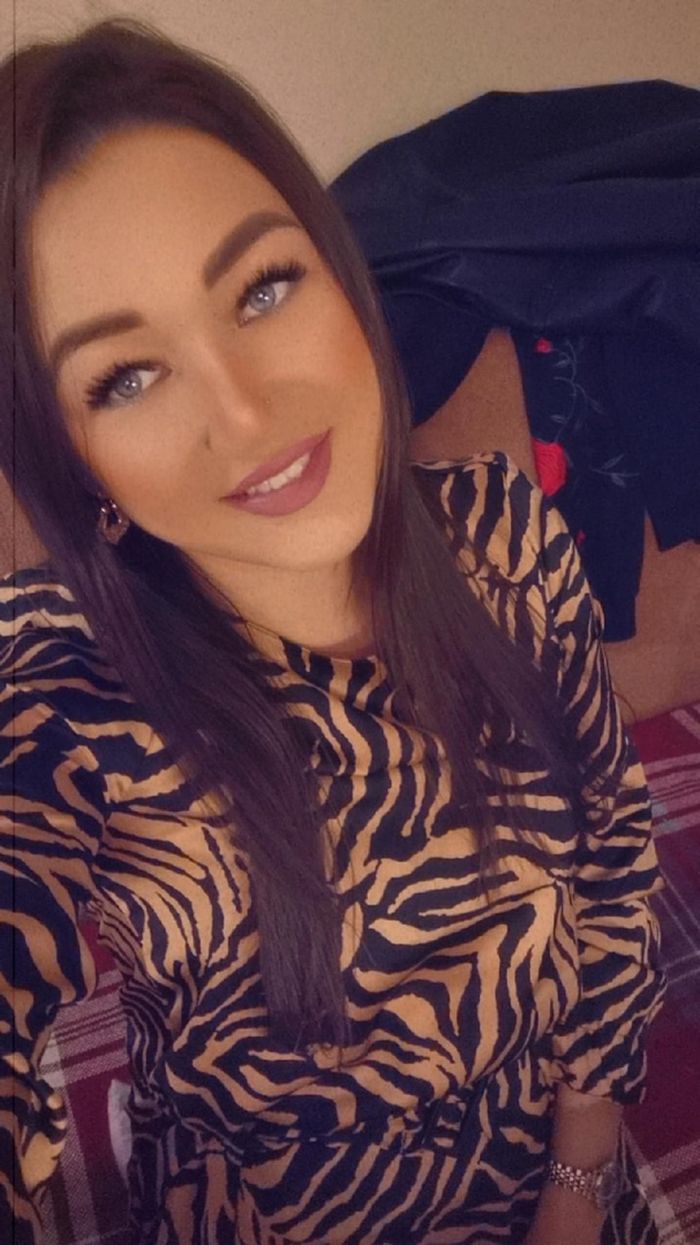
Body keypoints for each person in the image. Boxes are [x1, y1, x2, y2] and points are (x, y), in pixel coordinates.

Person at [0, 18, 667, 1245]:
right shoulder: (61, 689)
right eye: (125, 378)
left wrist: (576, 1187)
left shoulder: (504, 534)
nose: (248, 412)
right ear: (70, 457)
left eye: (262, 288)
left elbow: (614, 860)